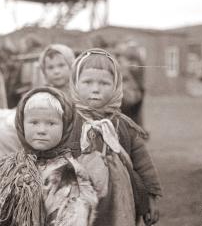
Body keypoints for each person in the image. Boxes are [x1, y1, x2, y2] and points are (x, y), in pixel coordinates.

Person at [0, 87, 98, 226]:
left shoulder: (68, 176)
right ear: (21, 124)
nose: (41, 130)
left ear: (65, 126)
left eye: (51, 123)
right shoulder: (6, 168)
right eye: (34, 123)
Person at [67, 48, 162, 226]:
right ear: (75, 83)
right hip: (79, 206)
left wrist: (150, 197)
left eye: (104, 83)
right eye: (87, 82)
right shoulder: (67, 122)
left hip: (120, 204)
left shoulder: (123, 125)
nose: (95, 89)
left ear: (116, 85)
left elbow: (143, 163)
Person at [0, 44, 76, 187]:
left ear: (72, 66)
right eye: (51, 68)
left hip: (58, 138)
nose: (56, 72)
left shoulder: (75, 93)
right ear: (44, 71)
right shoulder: (44, 91)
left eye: (61, 66)